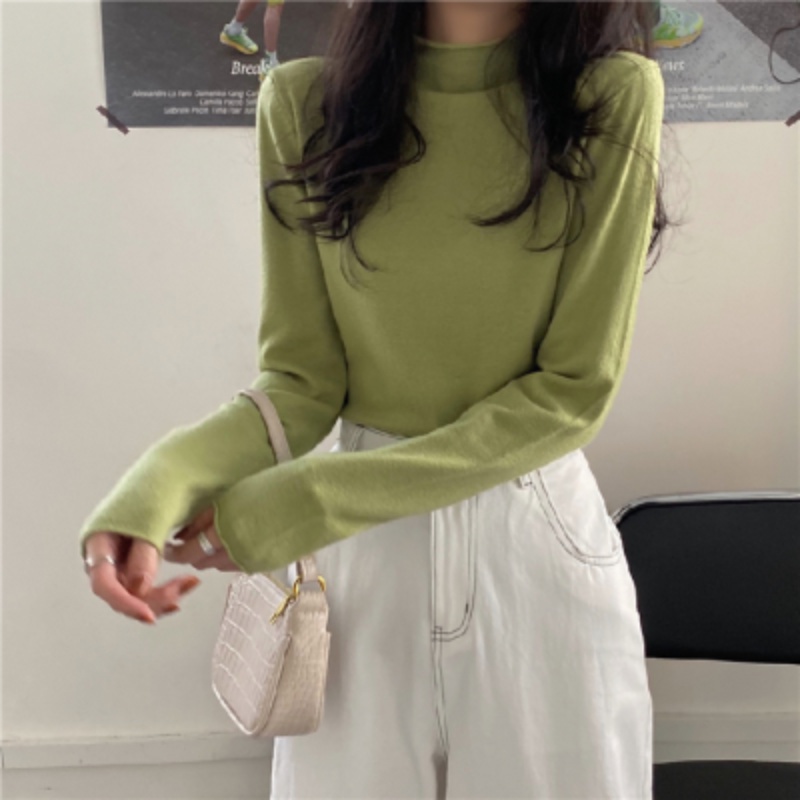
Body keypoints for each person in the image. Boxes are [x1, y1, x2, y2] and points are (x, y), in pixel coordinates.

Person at [81, 1, 671, 796]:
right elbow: (301, 382)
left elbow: (572, 391)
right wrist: (159, 484)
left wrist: (310, 499)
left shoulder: (611, 97)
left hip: (532, 549)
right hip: (361, 575)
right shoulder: (303, 105)